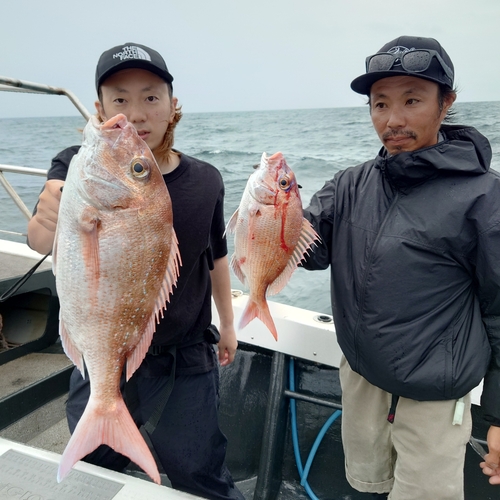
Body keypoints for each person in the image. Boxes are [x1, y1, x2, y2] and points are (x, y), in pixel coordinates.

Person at [27, 42, 244, 500]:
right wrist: (46, 219)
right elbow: (42, 242)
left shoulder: (206, 180)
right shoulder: (77, 163)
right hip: (103, 354)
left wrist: (227, 324)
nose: (136, 113)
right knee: (91, 470)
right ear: (100, 109)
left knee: (199, 470)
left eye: (150, 96)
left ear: (173, 105)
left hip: (186, 354)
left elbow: (216, 256)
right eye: (119, 99)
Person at [301, 35, 500, 499]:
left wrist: (496, 418)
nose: (393, 120)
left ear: (446, 102)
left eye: (412, 100)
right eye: (380, 104)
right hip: (362, 378)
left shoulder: (486, 198)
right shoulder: (350, 184)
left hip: (434, 395)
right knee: (367, 486)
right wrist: (271, 210)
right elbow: (307, 252)